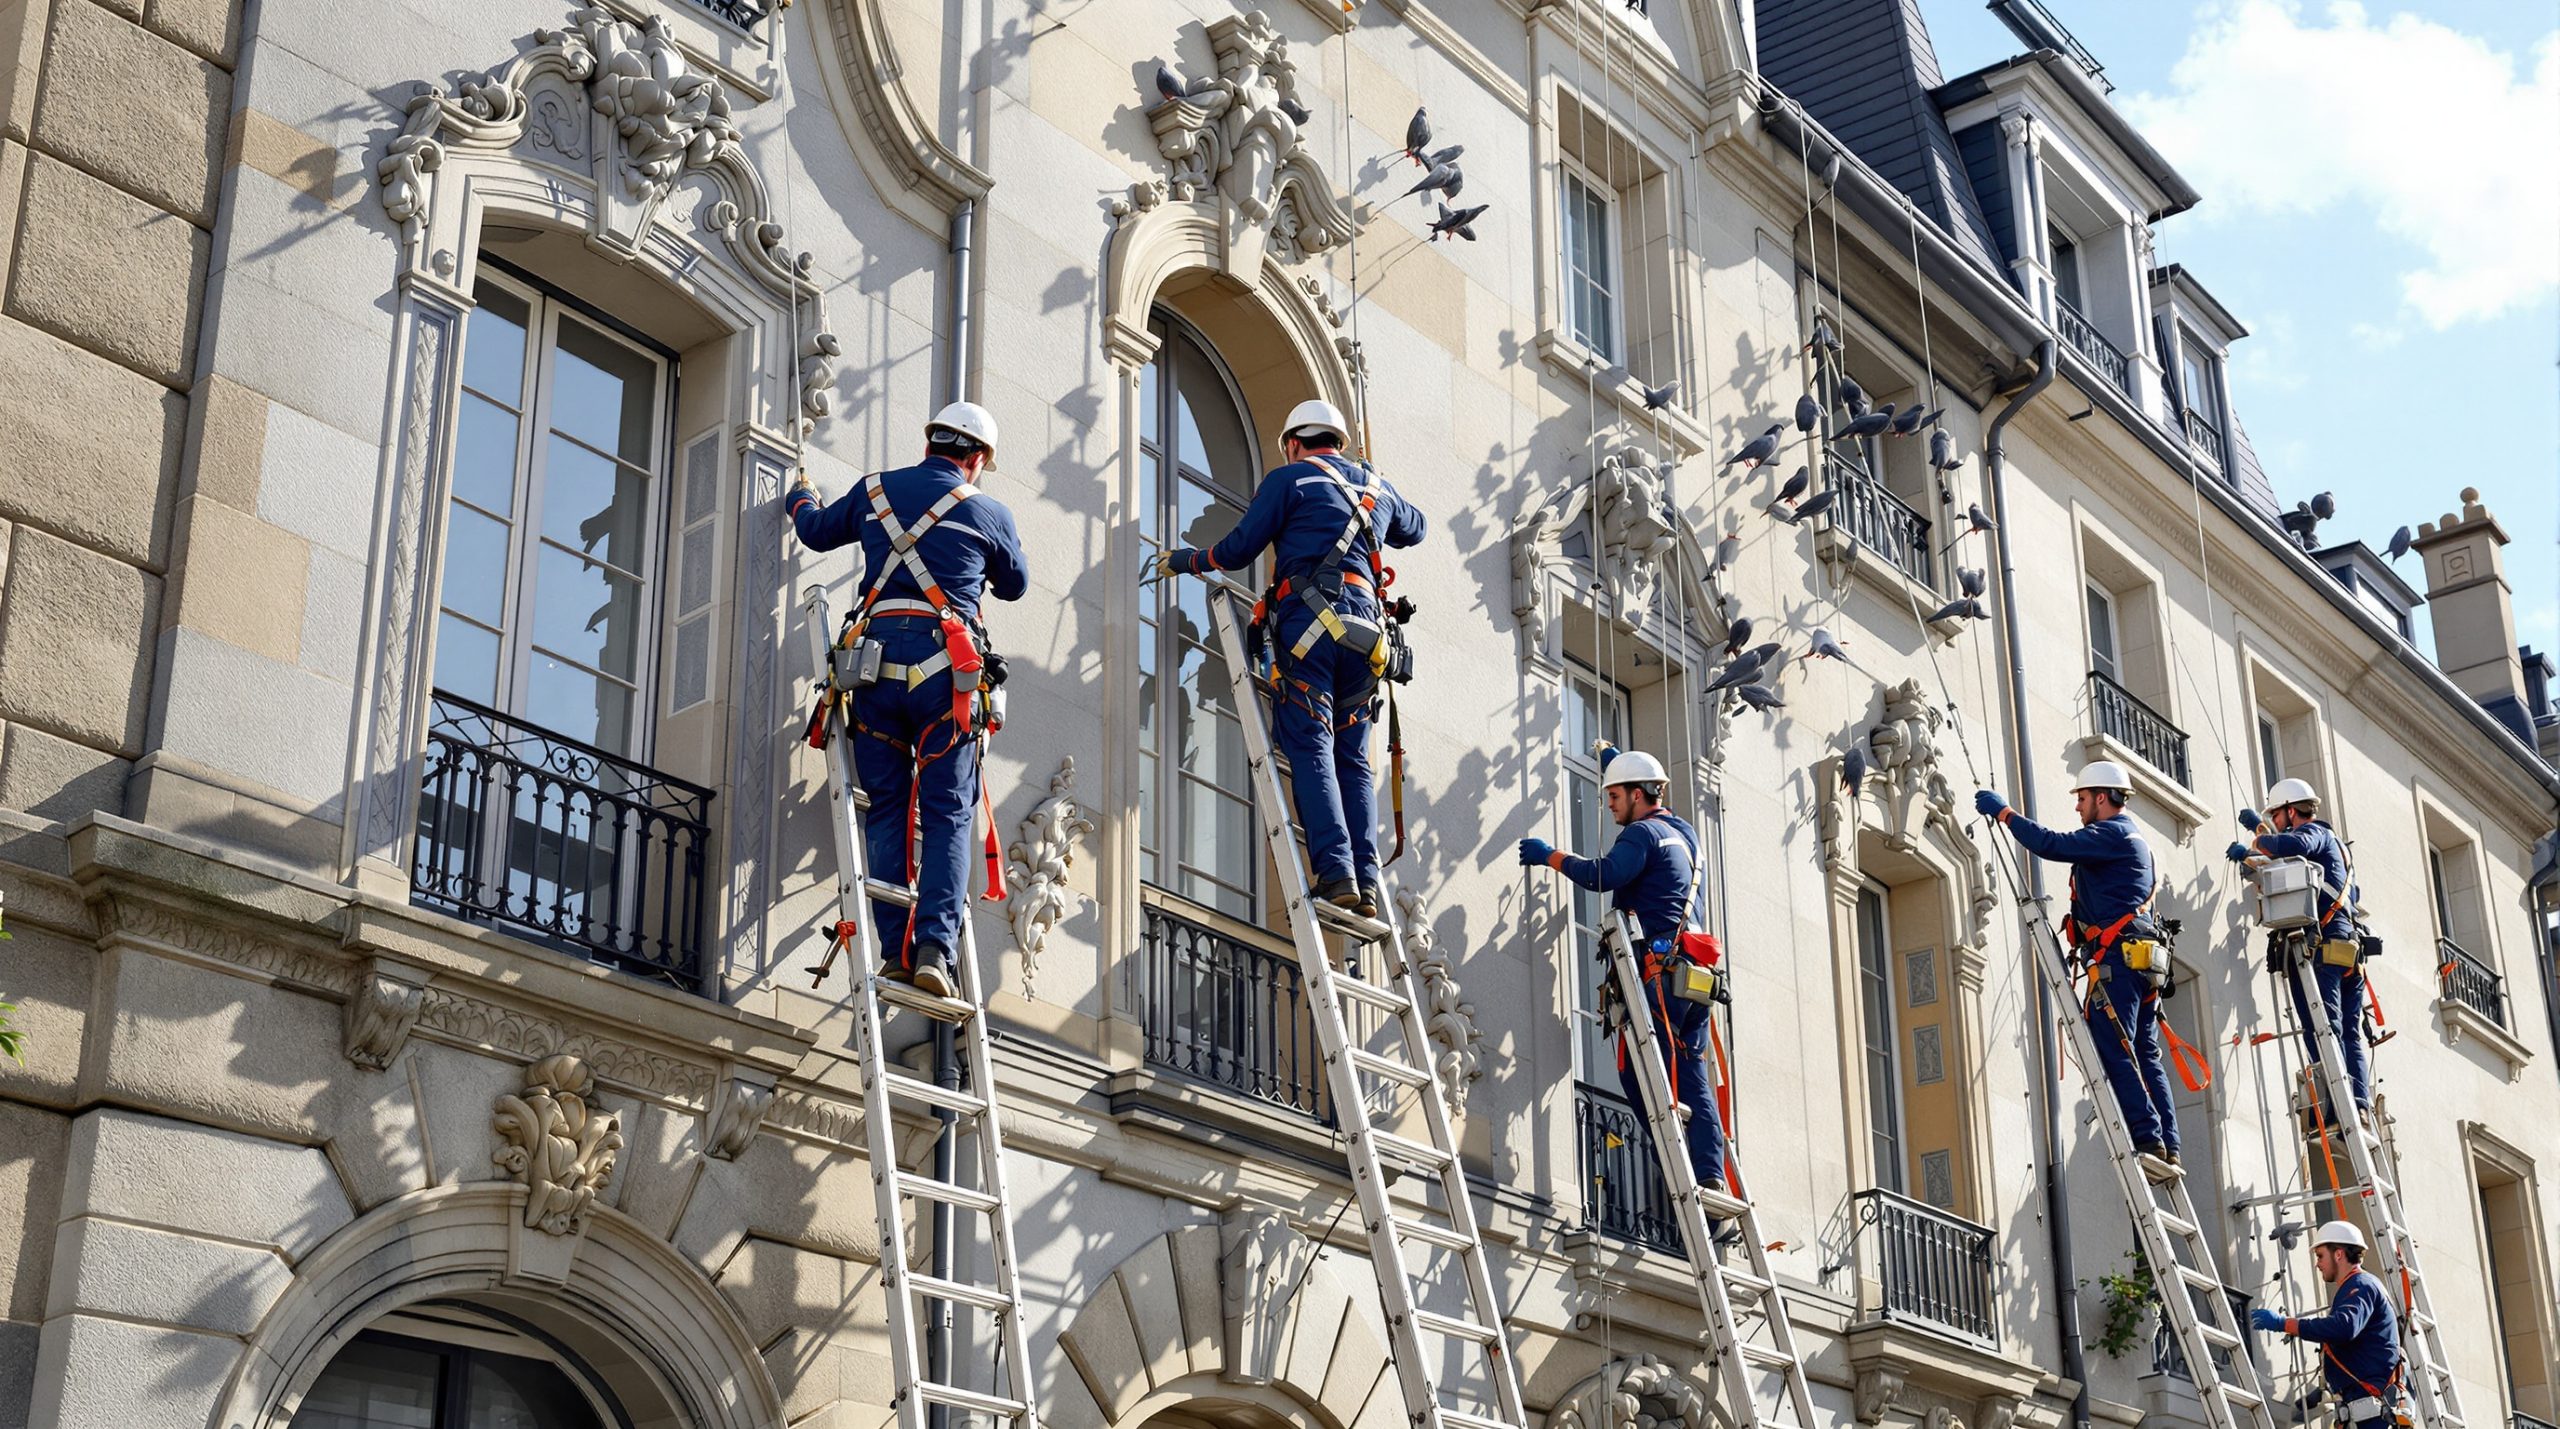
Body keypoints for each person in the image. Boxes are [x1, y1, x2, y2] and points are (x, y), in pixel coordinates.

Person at [788, 401, 1027, 998]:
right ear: (975, 460)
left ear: (929, 445)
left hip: (871, 672)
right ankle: (934, 953)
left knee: (889, 808)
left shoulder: (875, 491)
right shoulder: (986, 510)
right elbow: (1015, 584)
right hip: (946, 678)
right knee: (947, 812)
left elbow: (816, 531)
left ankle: (894, 949)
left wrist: (800, 496)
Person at [1154, 398, 1424, 917]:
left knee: (1310, 745)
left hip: (1311, 629)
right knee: (1352, 758)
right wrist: (1379, 482)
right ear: (1339, 442)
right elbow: (1416, 527)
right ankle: (1366, 879)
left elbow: (1236, 550)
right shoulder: (1373, 488)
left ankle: (1338, 870)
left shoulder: (1289, 480)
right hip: (1367, 638)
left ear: (1294, 443)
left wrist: (1187, 560)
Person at [1519, 747, 1727, 1203]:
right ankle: (1709, 1175)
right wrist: (1621, 762)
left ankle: (1676, 1176)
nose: (1609, 804)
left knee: (1640, 1077)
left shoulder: (1640, 834)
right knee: (1691, 1077)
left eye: (1614, 795)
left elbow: (1603, 875)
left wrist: (1549, 856)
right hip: (1694, 981)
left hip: (1658, 978)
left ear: (1638, 794)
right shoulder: (1683, 833)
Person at [1977, 762, 2183, 1171]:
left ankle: (2147, 1135)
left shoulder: (2112, 833)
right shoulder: (2137, 841)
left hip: (2121, 961)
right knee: (2143, 1049)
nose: (2079, 808)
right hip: (2141, 961)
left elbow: (2053, 844)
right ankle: (2167, 1142)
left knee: (2114, 1044)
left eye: (2083, 799)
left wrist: (2005, 814)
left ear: (2102, 798)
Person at [2227, 777, 2370, 1113]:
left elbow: (2287, 848)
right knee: (2348, 1031)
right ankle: (2358, 1102)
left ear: (2291, 811)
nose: (2276, 823)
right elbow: (2290, 862)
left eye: (2277, 816)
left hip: (2325, 948)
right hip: (2348, 949)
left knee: (2324, 1027)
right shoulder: (2337, 848)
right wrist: (2261, 841)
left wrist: (2259, 841)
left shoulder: (2316, 833)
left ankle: (2339, 1105)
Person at [2250, 1220, 2402, 1424]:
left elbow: (2343, 1328)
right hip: (2366, 1412)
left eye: (2320, 1256)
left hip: (2373, 1415)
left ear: (2338, 1254)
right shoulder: (2359, 1287)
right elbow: (2358, 1353)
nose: (2317, 1263)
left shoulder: (2360, 1285)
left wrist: (2285, 1324)